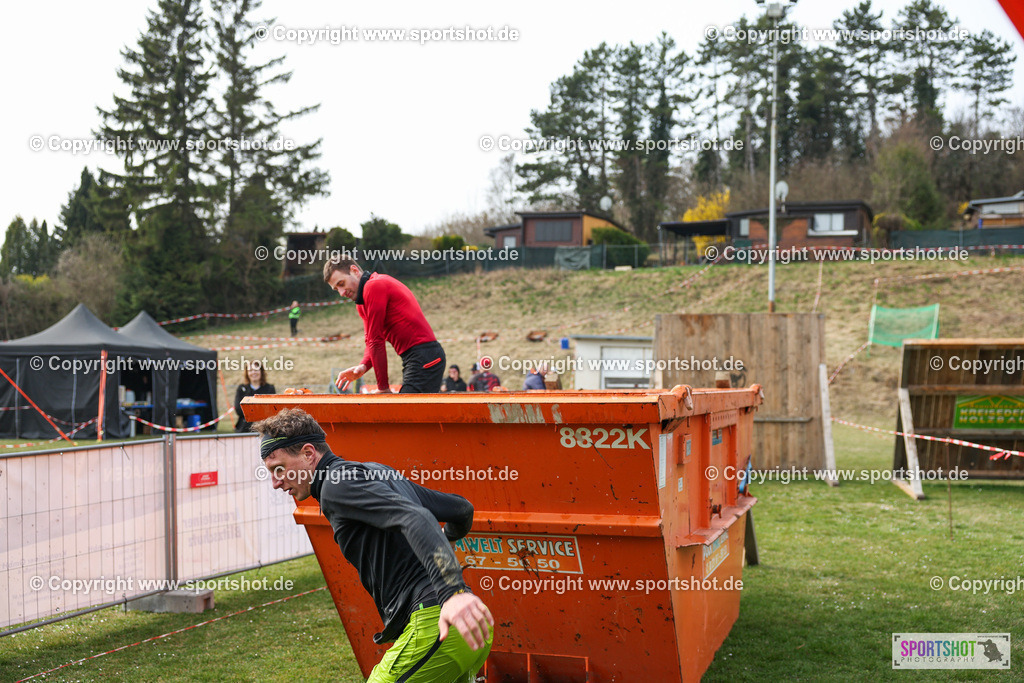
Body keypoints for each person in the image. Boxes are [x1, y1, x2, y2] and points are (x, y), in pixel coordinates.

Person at [254, 408, 494, 682]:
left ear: (309, 454)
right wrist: (445, 542)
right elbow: (462, 510)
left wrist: (453, 593)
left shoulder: (335, 485)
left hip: (440, 624)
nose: (275, 482)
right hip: (466, 627)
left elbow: (417, 518)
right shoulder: (374, 472)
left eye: (279, 469)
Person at [324, 258, 445, 394]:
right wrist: (363, 366)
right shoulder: (361, 303)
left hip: (425, 356)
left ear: (354, 271)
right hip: (416, 358)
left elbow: (376, 341)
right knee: (409, 413)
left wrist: (383, 388)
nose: (341, 293)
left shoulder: (374, 286)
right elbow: (370, 341)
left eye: (341, 283)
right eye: (336, 289)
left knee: (403, 413)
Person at [234, 361, 276, 432]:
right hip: (244, 427)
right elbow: (239, 409)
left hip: (265, 426)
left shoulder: (270, 388)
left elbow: (271, 409)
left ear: (261, 372)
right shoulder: (241, 388)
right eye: (250, 370)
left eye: (256, 370)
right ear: (247, 373)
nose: (253, 372)